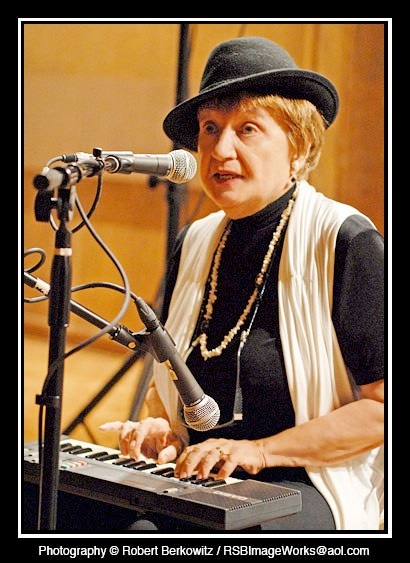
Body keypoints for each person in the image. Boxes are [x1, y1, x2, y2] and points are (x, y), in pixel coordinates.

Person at [24, 36, 384, 532]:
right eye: (210, 128)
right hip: (201, 479)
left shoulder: (345, 240)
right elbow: (171, 380)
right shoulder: (195, 241)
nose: (220, 149)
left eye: (248, 129)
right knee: (52, 501)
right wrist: (161, 429)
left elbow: (381, 409)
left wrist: (259, 451)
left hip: (305, 484)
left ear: (298, 145)